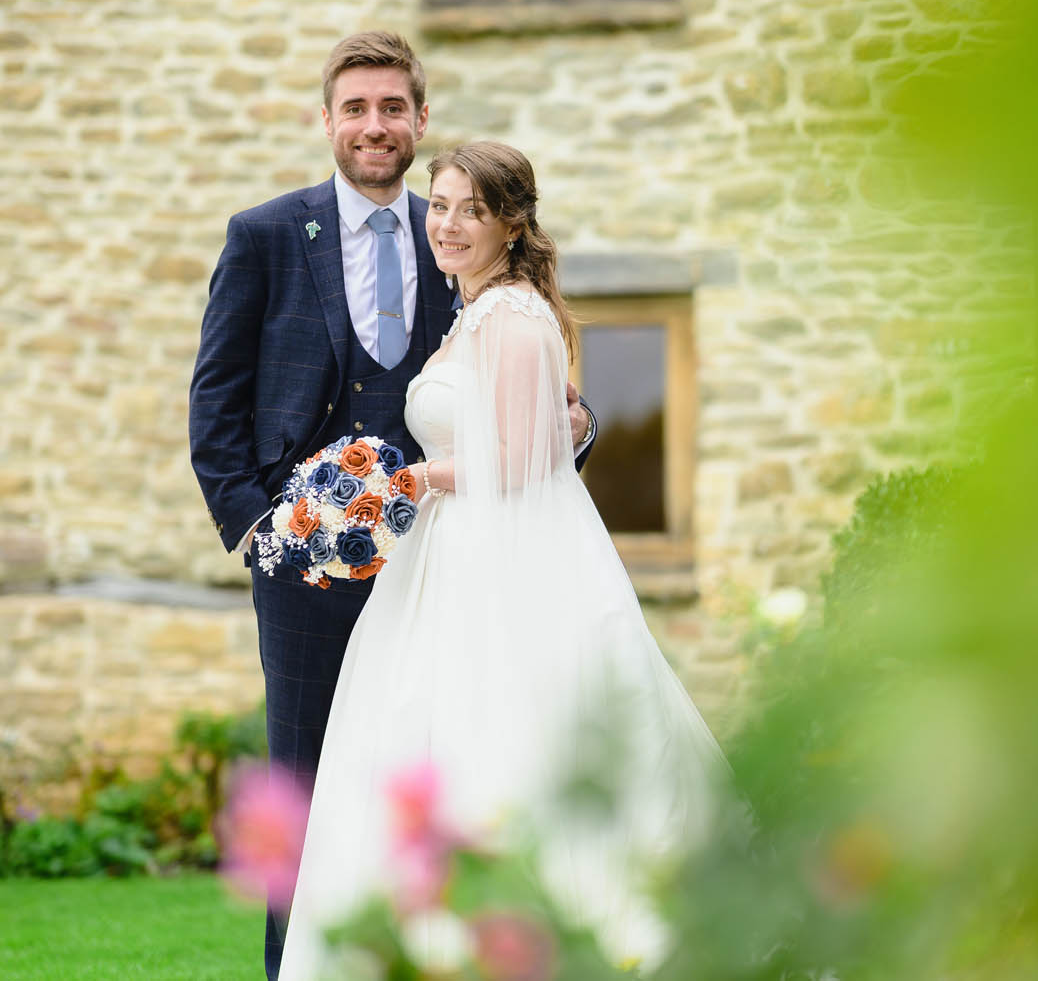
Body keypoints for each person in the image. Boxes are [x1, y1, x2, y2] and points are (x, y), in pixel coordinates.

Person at [187, 33, 595, 979]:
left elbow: (525, 375)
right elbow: (216, 399)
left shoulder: (455, 229)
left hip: (442, 564)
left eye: (393, 108)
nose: (375, 125)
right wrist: (263, 530)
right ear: (327, 119)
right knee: (305, 788)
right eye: (356, 108)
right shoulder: (265, 235)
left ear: (420, 118)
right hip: (307, 565)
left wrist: (571, 427)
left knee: (434, 773)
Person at [278, 143, 725, 977]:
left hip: (498, 559)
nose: (447, 225)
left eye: (471, 211)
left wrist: (412, 479)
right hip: (448, 553)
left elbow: (524, 458)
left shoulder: (512, 317)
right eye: (441, 205)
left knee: (501, 731)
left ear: (511, 225)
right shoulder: (474, 310)